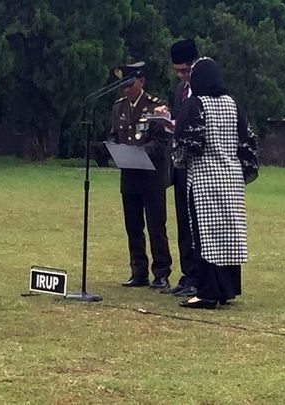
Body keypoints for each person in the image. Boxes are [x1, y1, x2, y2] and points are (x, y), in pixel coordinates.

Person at [172, 57, 259, 309]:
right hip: (231, 178)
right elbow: (248, 141)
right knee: (229, 234)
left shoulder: (196, 105)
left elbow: (188, 144)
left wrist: (178, 158)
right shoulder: (234, 104)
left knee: (205, 236)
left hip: (204, 179)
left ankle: (207, 291)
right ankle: (227, 288)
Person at [108, 61, 173, 289]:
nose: (125, 89)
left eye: (129, 83)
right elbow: (115, 135)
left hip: (152, 175)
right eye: (122, 85)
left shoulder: (156, 106)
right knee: (133, 225)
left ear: (141, 81)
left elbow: (161, 141)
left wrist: (139, 152)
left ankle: (161, 273)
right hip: (129, 175)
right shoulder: (119, 107)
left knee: (156, 226)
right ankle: (138, 271)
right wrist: (114, 150)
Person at [155, 39, 200, 297]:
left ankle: (198, 276)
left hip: (198, 165)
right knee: (182, 219)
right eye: (178, 72)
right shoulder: (180, 91)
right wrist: (167, 119)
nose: (182, 76)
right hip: (180, 164)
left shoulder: (204, 90)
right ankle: (187, 272)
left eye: (185, 71)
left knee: (196, 222)